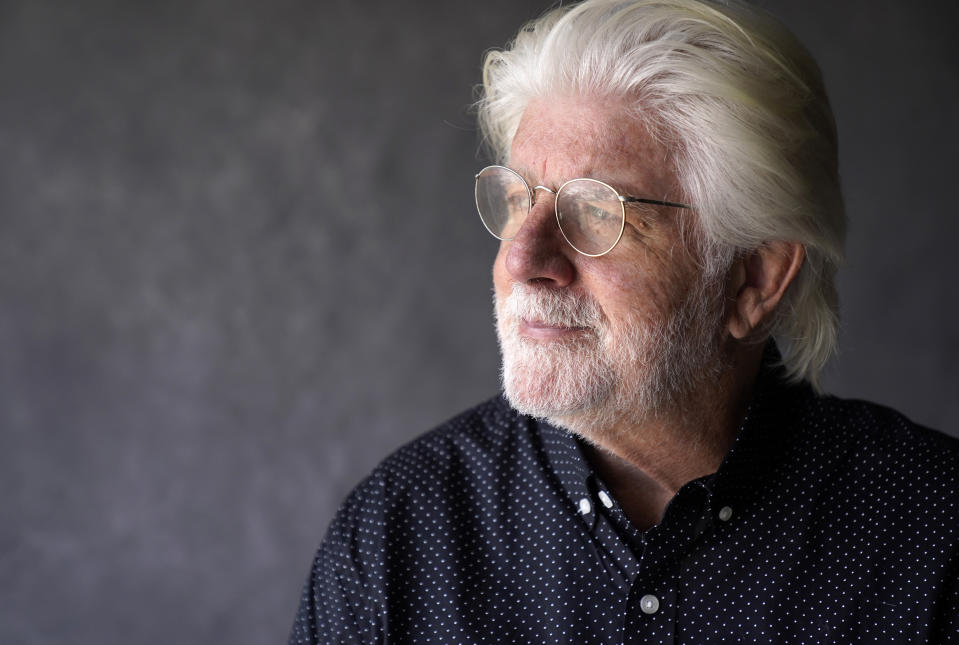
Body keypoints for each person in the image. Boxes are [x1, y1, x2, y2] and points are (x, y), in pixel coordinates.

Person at [289, 0, 959, 642]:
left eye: (598, 212)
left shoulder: (933, 530)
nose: (522, 259)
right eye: (519, 199)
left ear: (752, 279)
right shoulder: (396, 535)